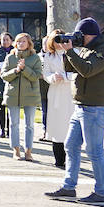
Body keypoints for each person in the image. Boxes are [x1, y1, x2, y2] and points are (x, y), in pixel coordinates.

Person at [45, 18, 104, 206]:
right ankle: (69, 187)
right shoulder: (87, 49)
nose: (77, 39)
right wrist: (66, 52)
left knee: (94, 151)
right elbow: (72, 68)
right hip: (81, 105)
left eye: (80, 36)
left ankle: (102, 192)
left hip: (95, 107)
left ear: (88, 35)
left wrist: (71, 51)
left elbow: (87, 70)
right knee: (70, 145)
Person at [1, 33, 42, 160]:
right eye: (18, 42)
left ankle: (28, 151)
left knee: (29, 124)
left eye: (23, 41)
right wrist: (16, 70)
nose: (21, 44)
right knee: (14, 124)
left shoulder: (35, 58)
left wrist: (24, 69)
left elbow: (36, 76)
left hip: (30, 95)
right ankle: (16, 150)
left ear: (29, 43)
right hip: (13, 95)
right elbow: (4, 76)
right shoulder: (10, 58)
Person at [40, 31, 73, 169]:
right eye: (55, 40)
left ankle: (71, 157)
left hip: (70, 92)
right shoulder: (49, 56)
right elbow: (45, 73)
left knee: (69, 124)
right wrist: (52, 77)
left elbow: (78, 72)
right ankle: (58, 159)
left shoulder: (72, 53)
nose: (59, 43)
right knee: (55, 125)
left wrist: (65, 77)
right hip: (55, 92)